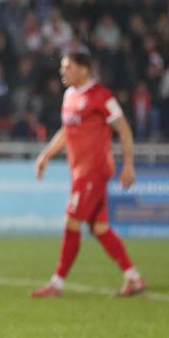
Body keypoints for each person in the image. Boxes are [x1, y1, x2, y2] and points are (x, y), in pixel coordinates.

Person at [31, 50, 144, 298]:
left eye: (68, 67)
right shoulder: (70, 95)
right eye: (62, 67)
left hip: (92, 171)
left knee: (71, 221)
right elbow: (66, 130)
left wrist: (128, 165)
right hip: (79, 170)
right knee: (100, 227)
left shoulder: (101, 96)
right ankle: (133, 277)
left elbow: (124, 130)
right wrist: (46, 156)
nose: (62, 71)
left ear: (83, 69)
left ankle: (57, 283)